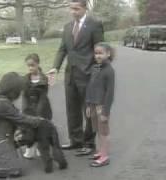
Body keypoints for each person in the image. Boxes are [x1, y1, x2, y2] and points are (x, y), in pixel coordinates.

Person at [47, 0, 104, 156]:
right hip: (70, 75)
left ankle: (89, 143)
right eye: (71, 8)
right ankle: (75, 140)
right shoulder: (67, 27)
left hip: (88, 75)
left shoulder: (95, 25)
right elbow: (62, 50)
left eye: (76, 9)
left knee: (89, 111)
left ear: (85, 8)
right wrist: (55, 67)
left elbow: (100, 50)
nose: (73, 12)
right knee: (72, 110)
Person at [85, 42, 115, 167]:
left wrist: (105, 112)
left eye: (100, 53)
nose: (97, 56)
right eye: (96, 53)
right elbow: (90, 87)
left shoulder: (109, 71)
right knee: (97, 130)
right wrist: (87, 104)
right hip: (92, 104)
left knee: (104, 132)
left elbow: (110, 93)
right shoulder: (95, 67)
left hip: (101, 106)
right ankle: (101, 151)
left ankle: (105, 156)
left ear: (108, 54)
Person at [21, 53, 53, 159]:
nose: (30, 68)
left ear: (38, 64)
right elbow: (24, 96)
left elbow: (43, 98)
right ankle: (30, 149)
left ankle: (41, 147)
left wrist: (38, 114)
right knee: (29, 129)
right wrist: (25, 110)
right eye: (28, 66)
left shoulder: (44, 79)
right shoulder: (25, 79)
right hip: (29, 108)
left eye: (32, 65)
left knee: (41, 129)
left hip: (42, 108)